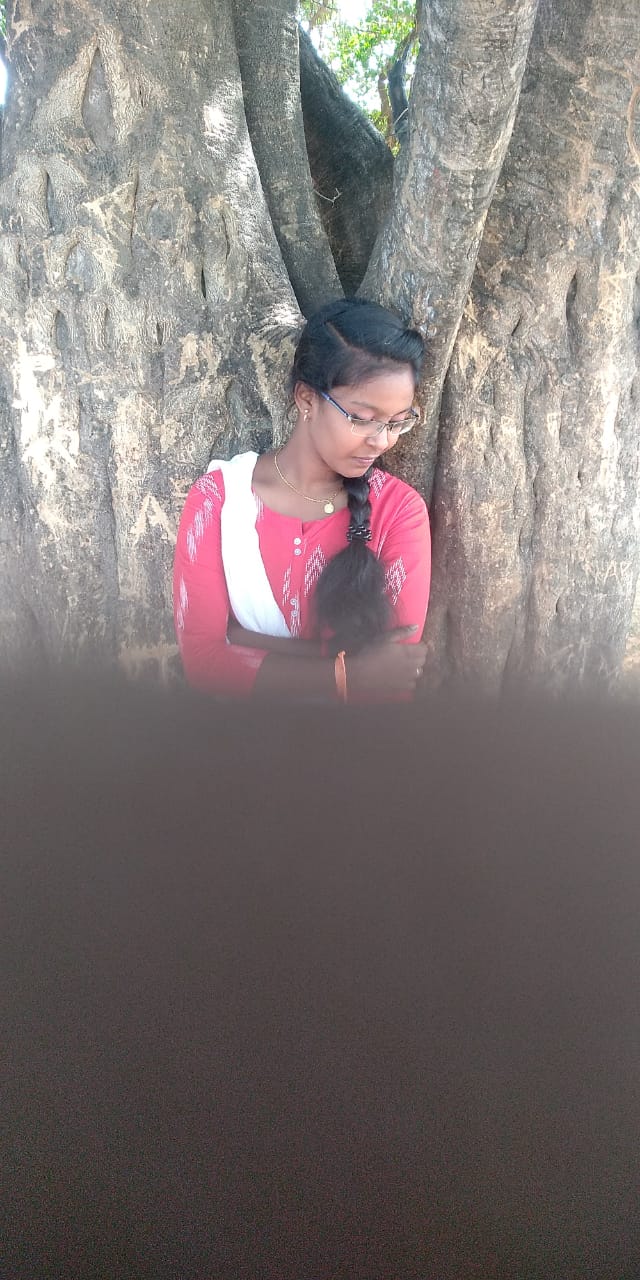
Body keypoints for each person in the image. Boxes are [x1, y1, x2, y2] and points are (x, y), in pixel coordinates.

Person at [173, 298, 431, 701]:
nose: (382, 441)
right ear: (307, 399)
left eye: (398, 423)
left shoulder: (399, 512)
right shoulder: (218, 501)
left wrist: (242, 641)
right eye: (362, 419)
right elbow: (204, 665)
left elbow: (392, 674)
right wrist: (346, 674)